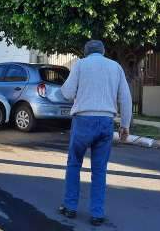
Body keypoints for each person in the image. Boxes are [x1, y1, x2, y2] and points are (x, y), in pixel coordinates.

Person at [56, 40, 133, 226]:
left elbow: (66, 93)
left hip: (83, 121)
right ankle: (97, 214)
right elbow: (125, 98)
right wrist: (125, 125)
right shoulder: (115, 67)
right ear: (104, 51)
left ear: (86, 52)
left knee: (74, 164)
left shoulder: (81, 65)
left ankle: (70, 207)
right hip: (106, 122)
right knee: (99, 170)